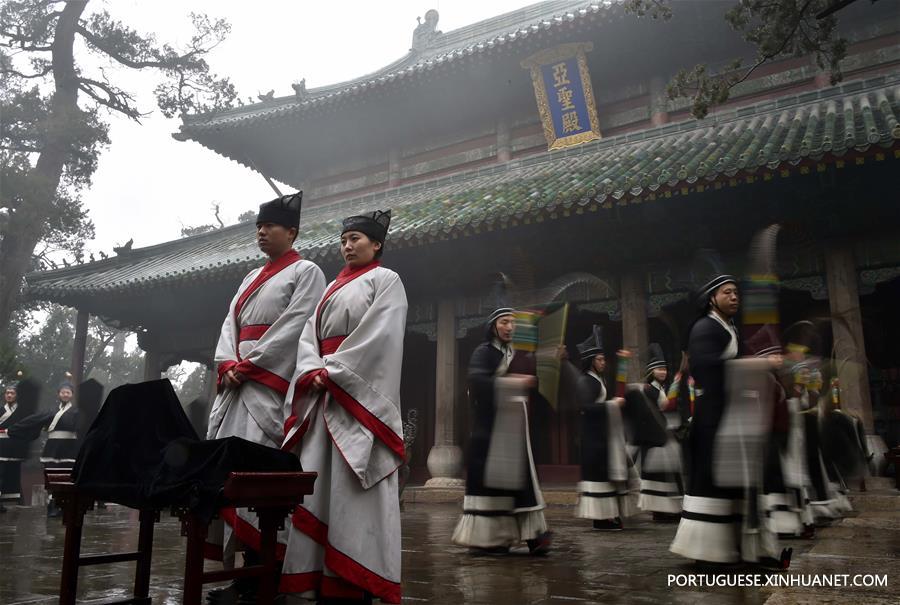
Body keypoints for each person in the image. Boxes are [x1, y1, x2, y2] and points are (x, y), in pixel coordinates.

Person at [279, 210, 407, 604]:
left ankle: (353, 580)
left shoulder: (386, 281)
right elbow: (306, 338)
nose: (348, 246)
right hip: (323, 397)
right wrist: (312, 369)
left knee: (353, 491)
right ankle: (313, 577)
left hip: (355, 401)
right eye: (344, 240)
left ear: (377, 244)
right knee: (317, 488)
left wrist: (332, 371)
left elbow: (381, 338)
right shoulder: (331, 287)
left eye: (356, 239)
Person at [205, 192, 325, 596]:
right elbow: (228, 326)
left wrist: (252, 365)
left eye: (270, 226)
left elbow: (295, 325)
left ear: (291, 232)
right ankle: (242, 572)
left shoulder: (307, 272)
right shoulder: (247, 278)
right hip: (238, 384)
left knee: (261, 480)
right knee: (230, 477)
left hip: (269, 388)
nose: (261, 232)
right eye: (258, 226)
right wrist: (226, 364)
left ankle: (265, 570)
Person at [451, 306, 553, 554]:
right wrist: (511, 383)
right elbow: (477, 382)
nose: (509, 327)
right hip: (489, 429)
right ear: (493, 326)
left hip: (516, 428)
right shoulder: (483, 352)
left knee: (521, 480)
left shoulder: (514, 353)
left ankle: (533, 535)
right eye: (504, 322)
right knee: (492, 483)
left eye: (513, 323)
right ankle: (487, 538)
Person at [670, 274, 743, 563]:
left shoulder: (728, 327)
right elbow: (703, 367)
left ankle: (729, 545)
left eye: (737, 292)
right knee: (710, 478)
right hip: (711, 414)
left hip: (728, 413)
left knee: (727, 480)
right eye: (728, 292)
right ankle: (705, 550)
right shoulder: (704, 327)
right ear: (712, 298)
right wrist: (749, 367)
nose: (735, 297)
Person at [572, 326, 633, 531]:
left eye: (604, 359)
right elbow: (585, 407)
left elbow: (619, 390)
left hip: (603, 434)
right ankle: (601, 517)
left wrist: (623, 363)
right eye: (599, 359)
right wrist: (612, 405)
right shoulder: (585, 381)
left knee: (606, 476)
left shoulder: (599, 379)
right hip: (593, 437)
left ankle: (607, 515)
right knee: (599, 477)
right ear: (590, 361)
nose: (603, 362)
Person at [637, 343, 683, 521]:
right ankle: (661, 511)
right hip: (655, 440)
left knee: (668, 475)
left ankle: (668, 510)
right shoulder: (648, 390)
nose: (663, 372)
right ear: (651, 371)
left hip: (664, 438)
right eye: (658, 369)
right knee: (660, 477)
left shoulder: (662, 388)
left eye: (664, 368)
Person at [0, 379, 30, 511]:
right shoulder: (1, 410)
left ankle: (13, 499)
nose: (9, 395)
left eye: (12, 393)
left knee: (13, 473)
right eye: (7, 393)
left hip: (14, 446)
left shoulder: (21, 411)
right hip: (1, 444)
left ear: (16, 395)